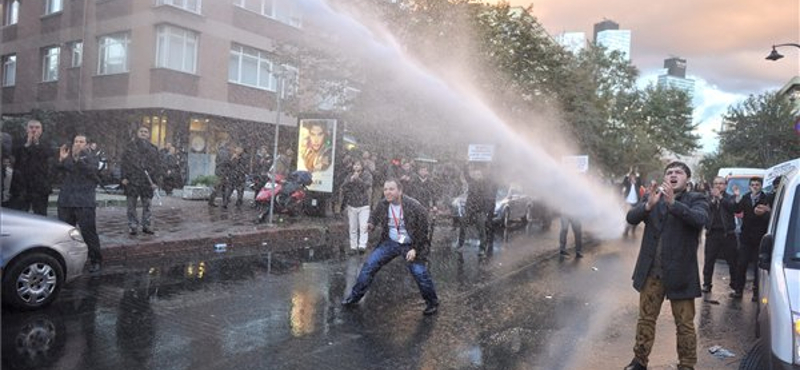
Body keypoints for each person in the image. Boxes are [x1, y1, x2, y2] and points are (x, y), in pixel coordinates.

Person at [623, 161, 709, 370]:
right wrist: (648, 206)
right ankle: (639, 361)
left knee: (685, 325)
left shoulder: (696, 198)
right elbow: (631, 218)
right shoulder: (653, 197)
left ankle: (687, 365)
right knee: (645, 320)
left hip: (681, 275)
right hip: (652, 273)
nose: (673, 175)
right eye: (669, 172)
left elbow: (700, 219)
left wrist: (674, 204)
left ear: (687, 178)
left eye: (678, 172)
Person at [341, 179, 440, 315]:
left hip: (411, 244)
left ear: (400, 191)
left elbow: (423, 231)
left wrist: (415, 249)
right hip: (391, 242)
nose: (388, 192)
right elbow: (374, 217)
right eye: (385, 189)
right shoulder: (383, 204)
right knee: (369, 266)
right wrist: (371, 224)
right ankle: (354, 297)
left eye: (391, 189)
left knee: (419, 272)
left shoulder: (414, 206)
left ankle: (432, 302)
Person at [55, 134, 103, 273]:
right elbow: (57, 171)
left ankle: (96, 260)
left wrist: (76, 159)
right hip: (66, 200)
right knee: (64, 233)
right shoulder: (66, 157)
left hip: (84, 201)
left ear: (87, 145)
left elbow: (90, 171)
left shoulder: (92, 158)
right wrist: (61, 160)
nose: (78, 144)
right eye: (76, 141)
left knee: (88, 232)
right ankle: (66, 261)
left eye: (81, 142)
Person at [730, 177, 771, 301]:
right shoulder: (746, 197)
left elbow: (770, 216)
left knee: (757, 267)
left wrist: (766, 212)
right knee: (741, 264)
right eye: (752, 185)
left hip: (759, 238)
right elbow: (736, 209)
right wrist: (737, 196)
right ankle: (738, 290)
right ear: (749, 186)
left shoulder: (766, 199)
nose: (754, 187)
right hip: (746, 237)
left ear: (761, 186)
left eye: (757, 185)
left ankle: (756, 292)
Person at [121, 126, 162, 235]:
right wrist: (124, 177)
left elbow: (158, 166)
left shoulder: (153, 149)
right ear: (137, 133)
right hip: (132, 180)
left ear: (148, 134)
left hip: (147, 181)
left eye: (146, 132)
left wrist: (156, 182)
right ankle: (133, 225)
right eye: (141, 131)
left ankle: (146, 225)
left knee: (147, 205)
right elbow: (124, 163)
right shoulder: (130, 147)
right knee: (131, 205)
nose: (143, 133)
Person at [701, 176, 738, 293]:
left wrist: (721, 198)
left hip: (728, 234)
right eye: (716, 183)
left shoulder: (730, 197)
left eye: (721, 183)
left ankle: (735, 285)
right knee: (709, 260)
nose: (718, 186)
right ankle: (707, 284)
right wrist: (713, 200)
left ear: (725, 186)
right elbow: (705, 208)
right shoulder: (708, 198)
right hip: (712, 233)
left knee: (732, 261)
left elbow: (733, 208)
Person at [8, 119, 53, 215]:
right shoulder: (19, 141)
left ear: (41, 130)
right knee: (20, 214)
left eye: (37, 127)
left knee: (41, 214)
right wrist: (27, 144)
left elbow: (48, 155)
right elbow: (15, 155)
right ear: (26, 129)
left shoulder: (46, 143)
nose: (34, 130)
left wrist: (36, 144)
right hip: (21, 186)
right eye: (31, 127)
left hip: (40, 186)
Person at [458, 165, 497, 256]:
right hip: (469, 209)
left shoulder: (485, 184)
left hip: (479, 210)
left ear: (481, 175)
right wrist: (466, 164)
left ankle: (482, 248)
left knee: (481, 229)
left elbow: (490, 177)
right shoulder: (471, 182)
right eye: (475, 174)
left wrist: (485, 210)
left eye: (479, 174)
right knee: (463, 226)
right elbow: (466, 174)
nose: (477, 176)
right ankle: (460, 245)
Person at [341, 160, 373, 253]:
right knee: (352, 227)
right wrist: (350, 181)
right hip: (352, 204)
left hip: (364, 205)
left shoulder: (367, 175)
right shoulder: (349, 175)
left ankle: (362, 245)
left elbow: (366, 186)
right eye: (355, 164)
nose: (356, 167)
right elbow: (344, 187)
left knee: (363, 226)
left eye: (358, 165)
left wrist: (358, 179)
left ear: (362, 166)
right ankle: (353, 247)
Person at [621, 170, 642, 237]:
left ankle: (633, 231)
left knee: (636, 217)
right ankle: (626, 231)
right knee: (628, 217)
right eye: (631, 178)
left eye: (634, 178)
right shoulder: (628, 184)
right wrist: (628, 174)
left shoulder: (637, 185)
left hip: (635, 203)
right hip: (628, 202)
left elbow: (640, 182)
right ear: (630, 179)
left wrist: (637, 174)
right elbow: (624, 182)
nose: (633, 179)